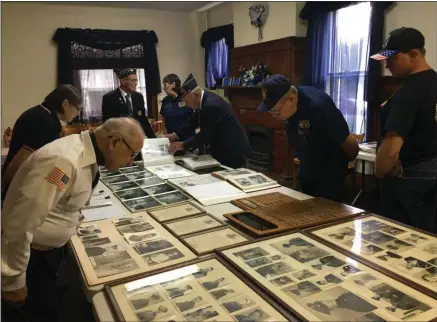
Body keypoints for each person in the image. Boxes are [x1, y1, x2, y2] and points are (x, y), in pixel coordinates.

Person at [1, 117, 144, 321]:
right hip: (33, 261)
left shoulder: (87, 154)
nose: (131, 161)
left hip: (50, 255)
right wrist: (12, 280)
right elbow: (20, 221)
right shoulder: (63, 162)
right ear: (114, 142)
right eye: (133, 154)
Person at [371, 27, 437, 233]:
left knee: (401, 237)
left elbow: (392, 146)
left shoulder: (407, 94)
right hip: (432, 170)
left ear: (414, 55)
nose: (387, 65)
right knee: (427, 235)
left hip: (408, 175)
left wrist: (380, 173)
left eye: (392, 59)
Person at [257, 74, 359, 202]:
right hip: (307, 166)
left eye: (276, 111)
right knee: (307, 205)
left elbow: (349, 143)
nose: (274, 116)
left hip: (329, 170)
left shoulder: (318, 106)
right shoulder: (288, 109)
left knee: (329, 210)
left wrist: (346, 164)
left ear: (291, 99)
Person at [1, 84, 83, 202]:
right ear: (65, 104)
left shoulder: (43, 114)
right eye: (78, 108)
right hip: (18, 189)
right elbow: (19, 163)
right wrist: (4, 188)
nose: (78, 113)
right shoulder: (42, 122)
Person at [167, 74, 251, 168]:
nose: (186, 105)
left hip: (234, 150)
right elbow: (192, 121)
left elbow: (205, 134)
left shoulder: (211, 105)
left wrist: (183, 145)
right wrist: (175, 134)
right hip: (222, 148)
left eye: (186, 101)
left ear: (195, 95)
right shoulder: (203, 101)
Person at [102, 68, 156, 139]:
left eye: (136, 80)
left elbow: (143, 119)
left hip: (136, 138)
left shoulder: (138, 97)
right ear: (123, 81)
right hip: (119, 139)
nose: (136, 83)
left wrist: (153, 138)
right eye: (133, 80)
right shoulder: (109, 98)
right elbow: (107, 123)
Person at [160, 74, 195, 141]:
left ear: (173, 84)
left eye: (165, 84)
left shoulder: (186, 97)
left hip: (188, 140)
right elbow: (162, 119)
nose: (163, 88)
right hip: (171, 140)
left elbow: (193, 119)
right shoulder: (165, 101)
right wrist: (166, 136)